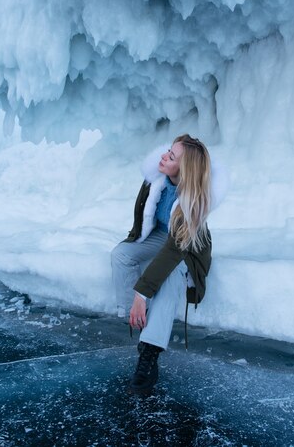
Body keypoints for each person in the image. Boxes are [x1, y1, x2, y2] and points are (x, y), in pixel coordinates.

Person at [111, 134, 222, 395]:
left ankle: (149, 353)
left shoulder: (193, 202)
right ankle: (139, 322)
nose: (163, 156)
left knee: (171, 277)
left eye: (171, 157)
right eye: (167, 151)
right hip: (160, 235)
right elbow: (143, 219)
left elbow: (173, 251)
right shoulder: (156, 180)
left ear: (185, 169)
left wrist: (142, 293)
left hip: (186, 248)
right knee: (120, 255)